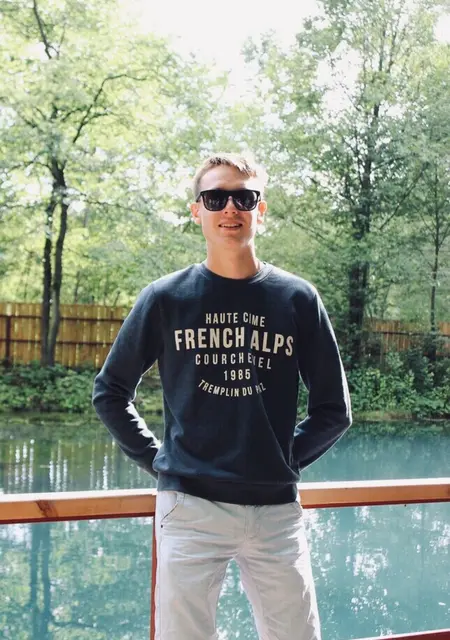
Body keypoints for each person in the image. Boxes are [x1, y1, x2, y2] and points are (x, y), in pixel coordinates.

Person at [93, 152, 352, 640]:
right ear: (198, 211)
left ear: (260, 210)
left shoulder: (298, 299)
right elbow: (110, 391)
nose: (230, 208)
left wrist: (281, 460)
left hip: (275, 512)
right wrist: (160, 460)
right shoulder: (166, 298)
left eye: (244, 198)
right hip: (189, 508)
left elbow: (333, 411)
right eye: (215, 198)